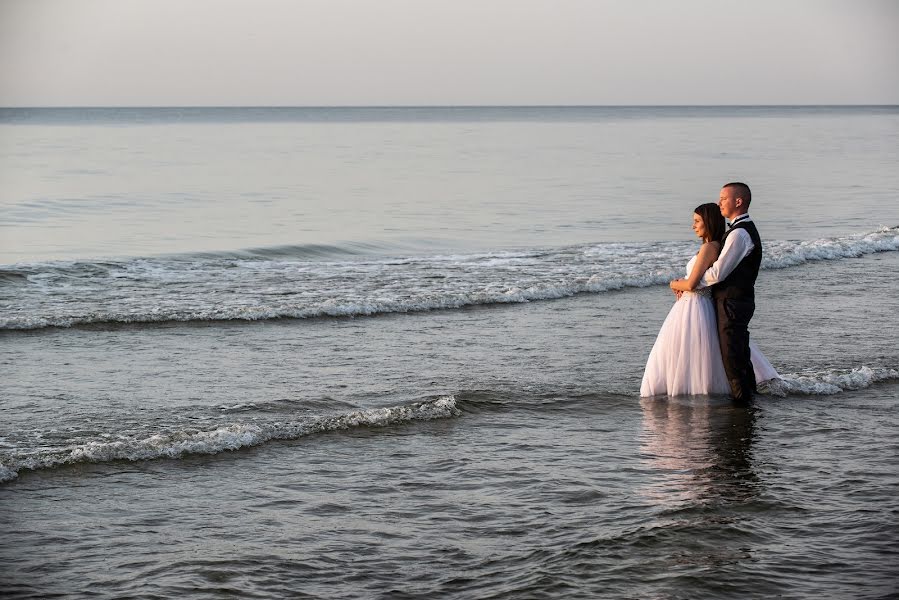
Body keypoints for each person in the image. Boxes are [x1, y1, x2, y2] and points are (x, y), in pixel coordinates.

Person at [640, 200, 777, 397]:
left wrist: (675, 283)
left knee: (693, 353)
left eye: (697, 221)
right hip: (694, 304)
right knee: (698, 353)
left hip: (695, 305)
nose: (693, 226)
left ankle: (733, 397)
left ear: (708, 222)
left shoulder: (710, 248)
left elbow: (693, 283)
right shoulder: (715, 245)